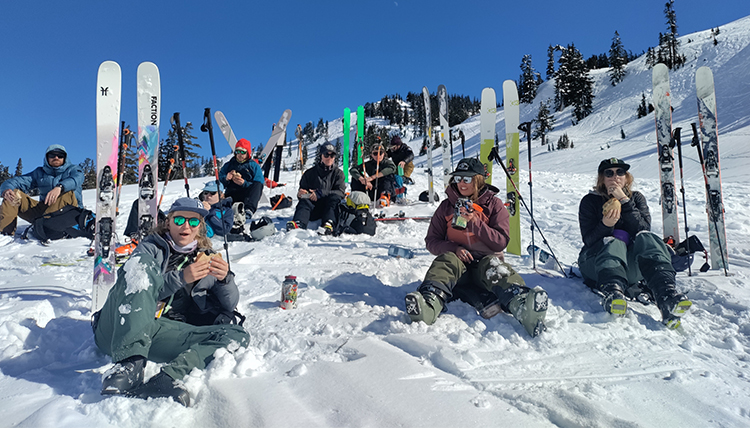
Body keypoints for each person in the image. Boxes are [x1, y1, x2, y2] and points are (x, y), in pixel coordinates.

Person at [93, 197, 249, 406]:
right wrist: (182, 277)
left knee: (236, 335)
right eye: (179, 220)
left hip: (159, 332)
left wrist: (225, 279)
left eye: (193, 222)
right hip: (117, 329)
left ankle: (166, 378)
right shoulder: (149, 249)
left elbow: (230, 305)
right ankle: (129, 364)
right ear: (168, 222)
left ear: (199, 226)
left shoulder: (208, 257)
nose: (186, 226)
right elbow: (133, 289)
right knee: (141, 265)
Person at [404, 158, 548, 337]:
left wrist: (474, 223)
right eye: (458, 179)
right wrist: (453, 248)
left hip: (484, 268)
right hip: (458, 270)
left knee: (496, 268)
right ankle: (428, 306)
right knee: (445, 261)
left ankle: (522, 305)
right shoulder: (446, 206)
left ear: (478, 180)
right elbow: (432, 241)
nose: (462, 184)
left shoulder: (494, 205)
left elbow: (501, 241)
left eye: (467, 179)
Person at [578, 158, 692, 329]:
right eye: (609, 173)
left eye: (620, 172)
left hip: (629, 266)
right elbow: (588, 240)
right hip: (595, 264)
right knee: (613, 242)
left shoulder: (636, 198)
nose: (615, 177)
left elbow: (643, 229)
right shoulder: (590, 201)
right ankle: (613, 293)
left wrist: (624, 201)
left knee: (649, 238)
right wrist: (605, 226)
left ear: (626, 177)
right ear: (602, 178)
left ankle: (666, 296)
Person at [0, 145, 84, 236]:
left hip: (68, 213)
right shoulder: (40, 173)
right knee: (13, 193)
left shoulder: (74, 170)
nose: (56, 158)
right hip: (44, 212)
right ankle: (4, 232)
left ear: (65, 158)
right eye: (52, 155)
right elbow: (15, 181)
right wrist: (6, 189)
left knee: (67, 192)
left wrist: (60, 187)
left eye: (60, 155)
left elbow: (77, 179)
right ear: (47, 158)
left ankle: (48, 227)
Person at [287, 143, 346, 234]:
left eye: (332, 155)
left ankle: (329, 224)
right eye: (326, 155)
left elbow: (340, 192)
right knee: (305, 200)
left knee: (334, 198)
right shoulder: (309, 173)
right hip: (313, 209)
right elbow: (303, 191)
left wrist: (321, 193)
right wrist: (302, 194)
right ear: (321, 155)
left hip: (330, 209)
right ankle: (299, 223)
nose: (329, 158)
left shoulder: (338, 173)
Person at [219, 138, 264, 218]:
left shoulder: (253, 166)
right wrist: (226, 178)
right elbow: (219, 180)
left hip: (247, 194)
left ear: (247, 153)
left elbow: (259, 182)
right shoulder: (228, 165)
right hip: (231, 193)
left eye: (243, 152)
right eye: (237, 151)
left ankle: (249, 209)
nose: (240, 154)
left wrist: (244, 183)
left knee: (258, 184)